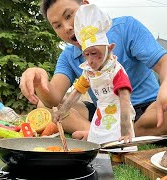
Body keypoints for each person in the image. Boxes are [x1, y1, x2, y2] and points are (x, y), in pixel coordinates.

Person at [19, 0, 167, 139]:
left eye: (69, 16)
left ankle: (110, 136)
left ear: (86, 6)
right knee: (45, 106)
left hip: (147, 110)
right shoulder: (68, 56)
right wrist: (38, 81)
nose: (67, 27)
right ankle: (97, 134)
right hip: (104, 111)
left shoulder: (126, 27)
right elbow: (54, 98)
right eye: (58, 26)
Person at [52, 4, 137, 150]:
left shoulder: (115, 70)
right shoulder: (89, 71)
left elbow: (124, 98)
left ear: (109, 48)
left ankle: (120, 152)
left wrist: (125, 127)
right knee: (96, 140)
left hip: (119, 110)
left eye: (95, 54)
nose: (91, 60)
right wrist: (62, 111)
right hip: (101, 110)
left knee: (119, 141)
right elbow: (76, 92)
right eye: (87, 54)